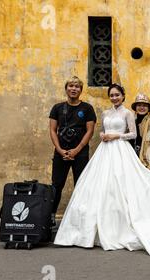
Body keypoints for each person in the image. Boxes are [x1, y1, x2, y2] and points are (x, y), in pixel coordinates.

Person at [54, 84, 150, 255]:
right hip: (105, 152)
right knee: (101, 185)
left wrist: (116, 136)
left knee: (121, 184)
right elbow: (103, 131)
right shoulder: (105, 113)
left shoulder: (127, 113)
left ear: (123, 96)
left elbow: (133, 134)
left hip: (121, 149)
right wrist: (103, 135)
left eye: (117, 95)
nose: (114, 98)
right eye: (111, 95)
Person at [49, 76, 96, 225]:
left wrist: (77, 149)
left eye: (77, 86)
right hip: (60, 153)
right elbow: (52, 130)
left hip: (80, 153)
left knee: (81, 185)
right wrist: (60, 150)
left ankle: (80, 218)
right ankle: (50, 216)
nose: (73, 89)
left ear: (81, 90)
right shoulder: (57, 108)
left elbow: (90, 131)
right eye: (71, 86)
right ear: (66, 88)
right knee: (56, 185)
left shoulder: (87, 108)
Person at [130, 93, 150, 171]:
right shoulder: (132, 121)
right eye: (139, 105)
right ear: (135, 107)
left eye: (144, 105)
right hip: (133, 157)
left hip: (145, 159)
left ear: (148, 108)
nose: (142, 107)